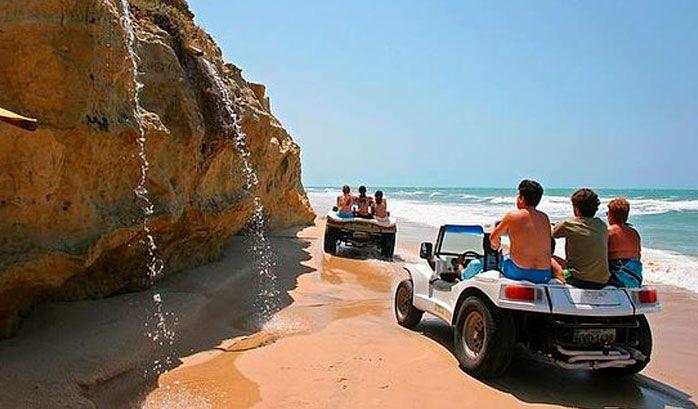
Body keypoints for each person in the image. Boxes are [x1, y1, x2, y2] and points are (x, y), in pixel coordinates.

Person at [490, 180, 553, 284]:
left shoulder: (512, 216)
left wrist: (496, 245)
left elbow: (493, 237)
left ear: (521, 198)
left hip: (519, 272)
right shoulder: (544, 217)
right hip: (543, 274)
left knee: (504, 253)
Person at [552, 188, 610, 288]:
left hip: (577, 279)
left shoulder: (568, 224)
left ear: (576, 208)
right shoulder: (602, 225)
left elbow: (551, 233)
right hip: (602, 281)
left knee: (548, 258)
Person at [607, 198, 643, 288]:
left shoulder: (609, 231)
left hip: (618, 277)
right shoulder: (634, 233)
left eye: (607, 213)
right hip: (636, 278)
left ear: (611, 214)